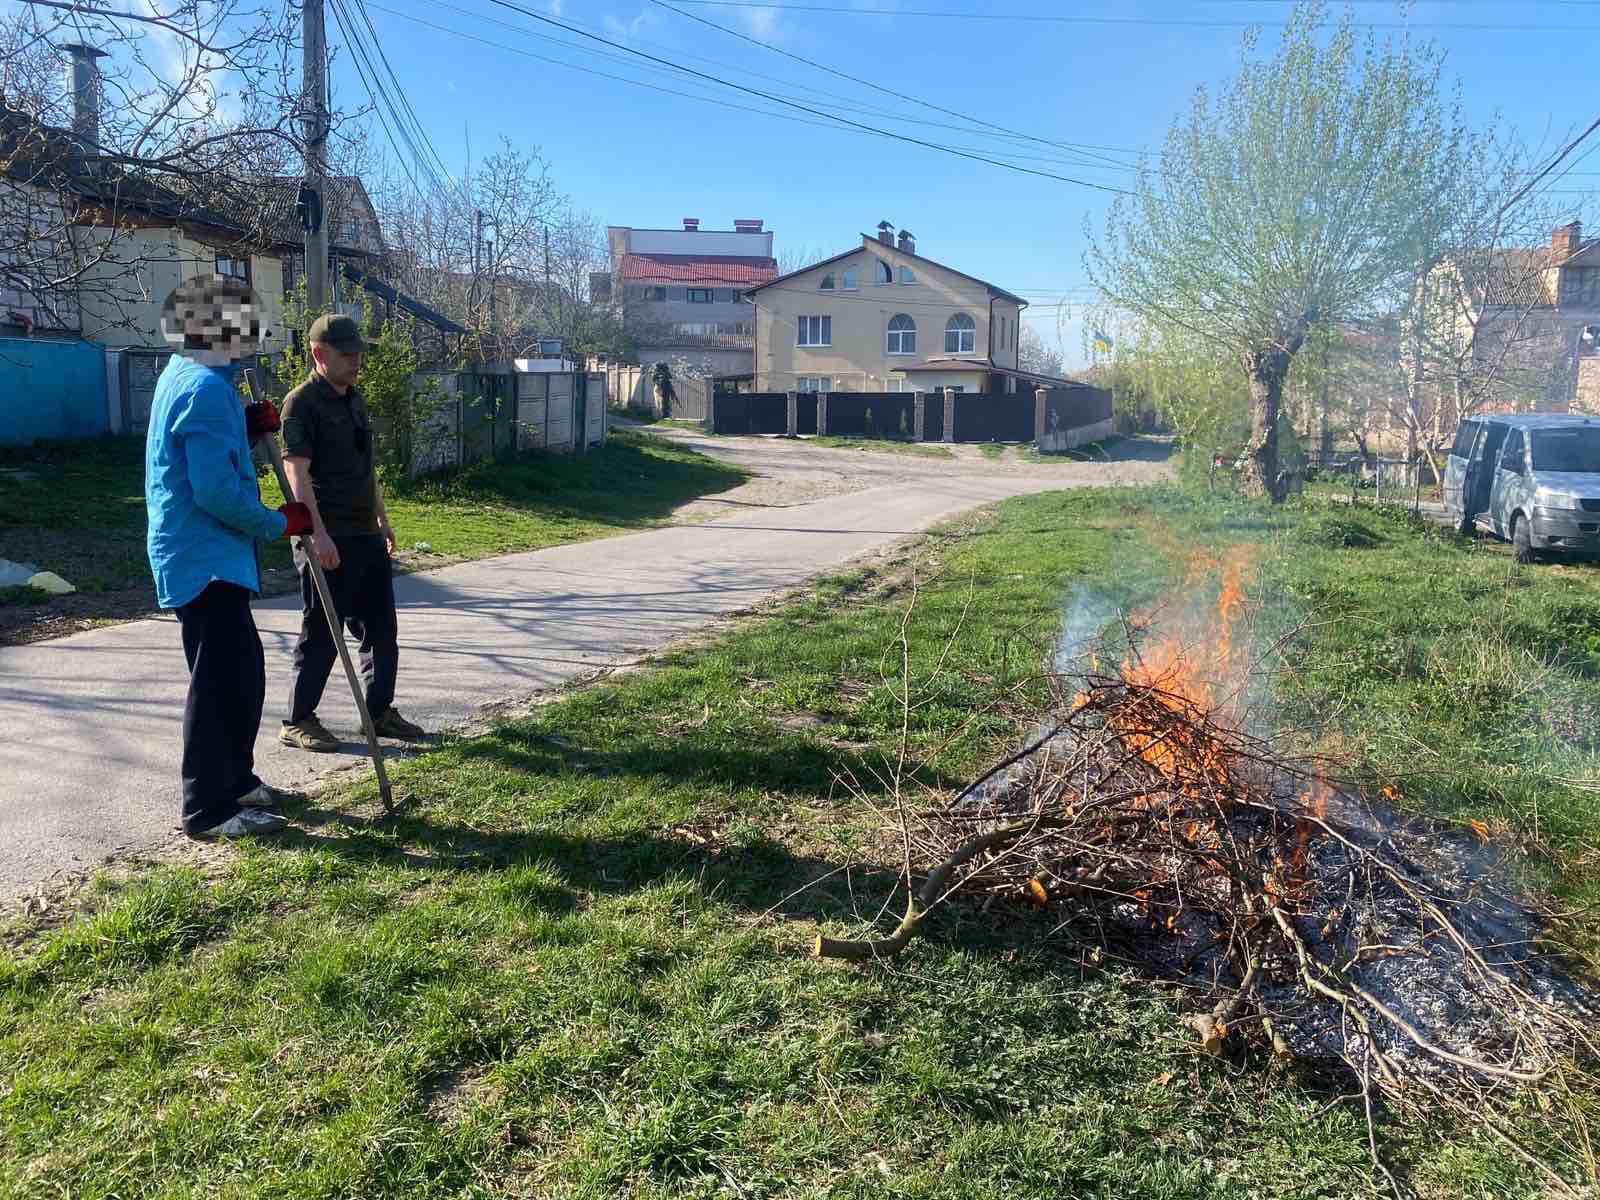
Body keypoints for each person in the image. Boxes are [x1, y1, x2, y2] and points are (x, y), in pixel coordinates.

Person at [146, 275, 313, 839]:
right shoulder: (206, 389)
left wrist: (242, 429)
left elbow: (206, 451)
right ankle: (206, 809)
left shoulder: (192, 377)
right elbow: (214, 491)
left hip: (205, 554)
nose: (253, 336)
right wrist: (276, 523)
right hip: (203, 557)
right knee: (218, 682)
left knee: (243, 671)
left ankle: (236, 781)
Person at [277, 313, 426, 752]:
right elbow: (297, 477)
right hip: (327, 534)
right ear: (319, 354)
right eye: (347, 353)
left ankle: (377, 712)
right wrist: (317, 535)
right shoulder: (300, 404)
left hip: (364, 532)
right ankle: (298, 719)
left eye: (359, 351)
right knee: (322, 631)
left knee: (381, 630)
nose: (357, 360)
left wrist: (382, 516)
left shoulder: (354, 398)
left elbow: (367, 467)